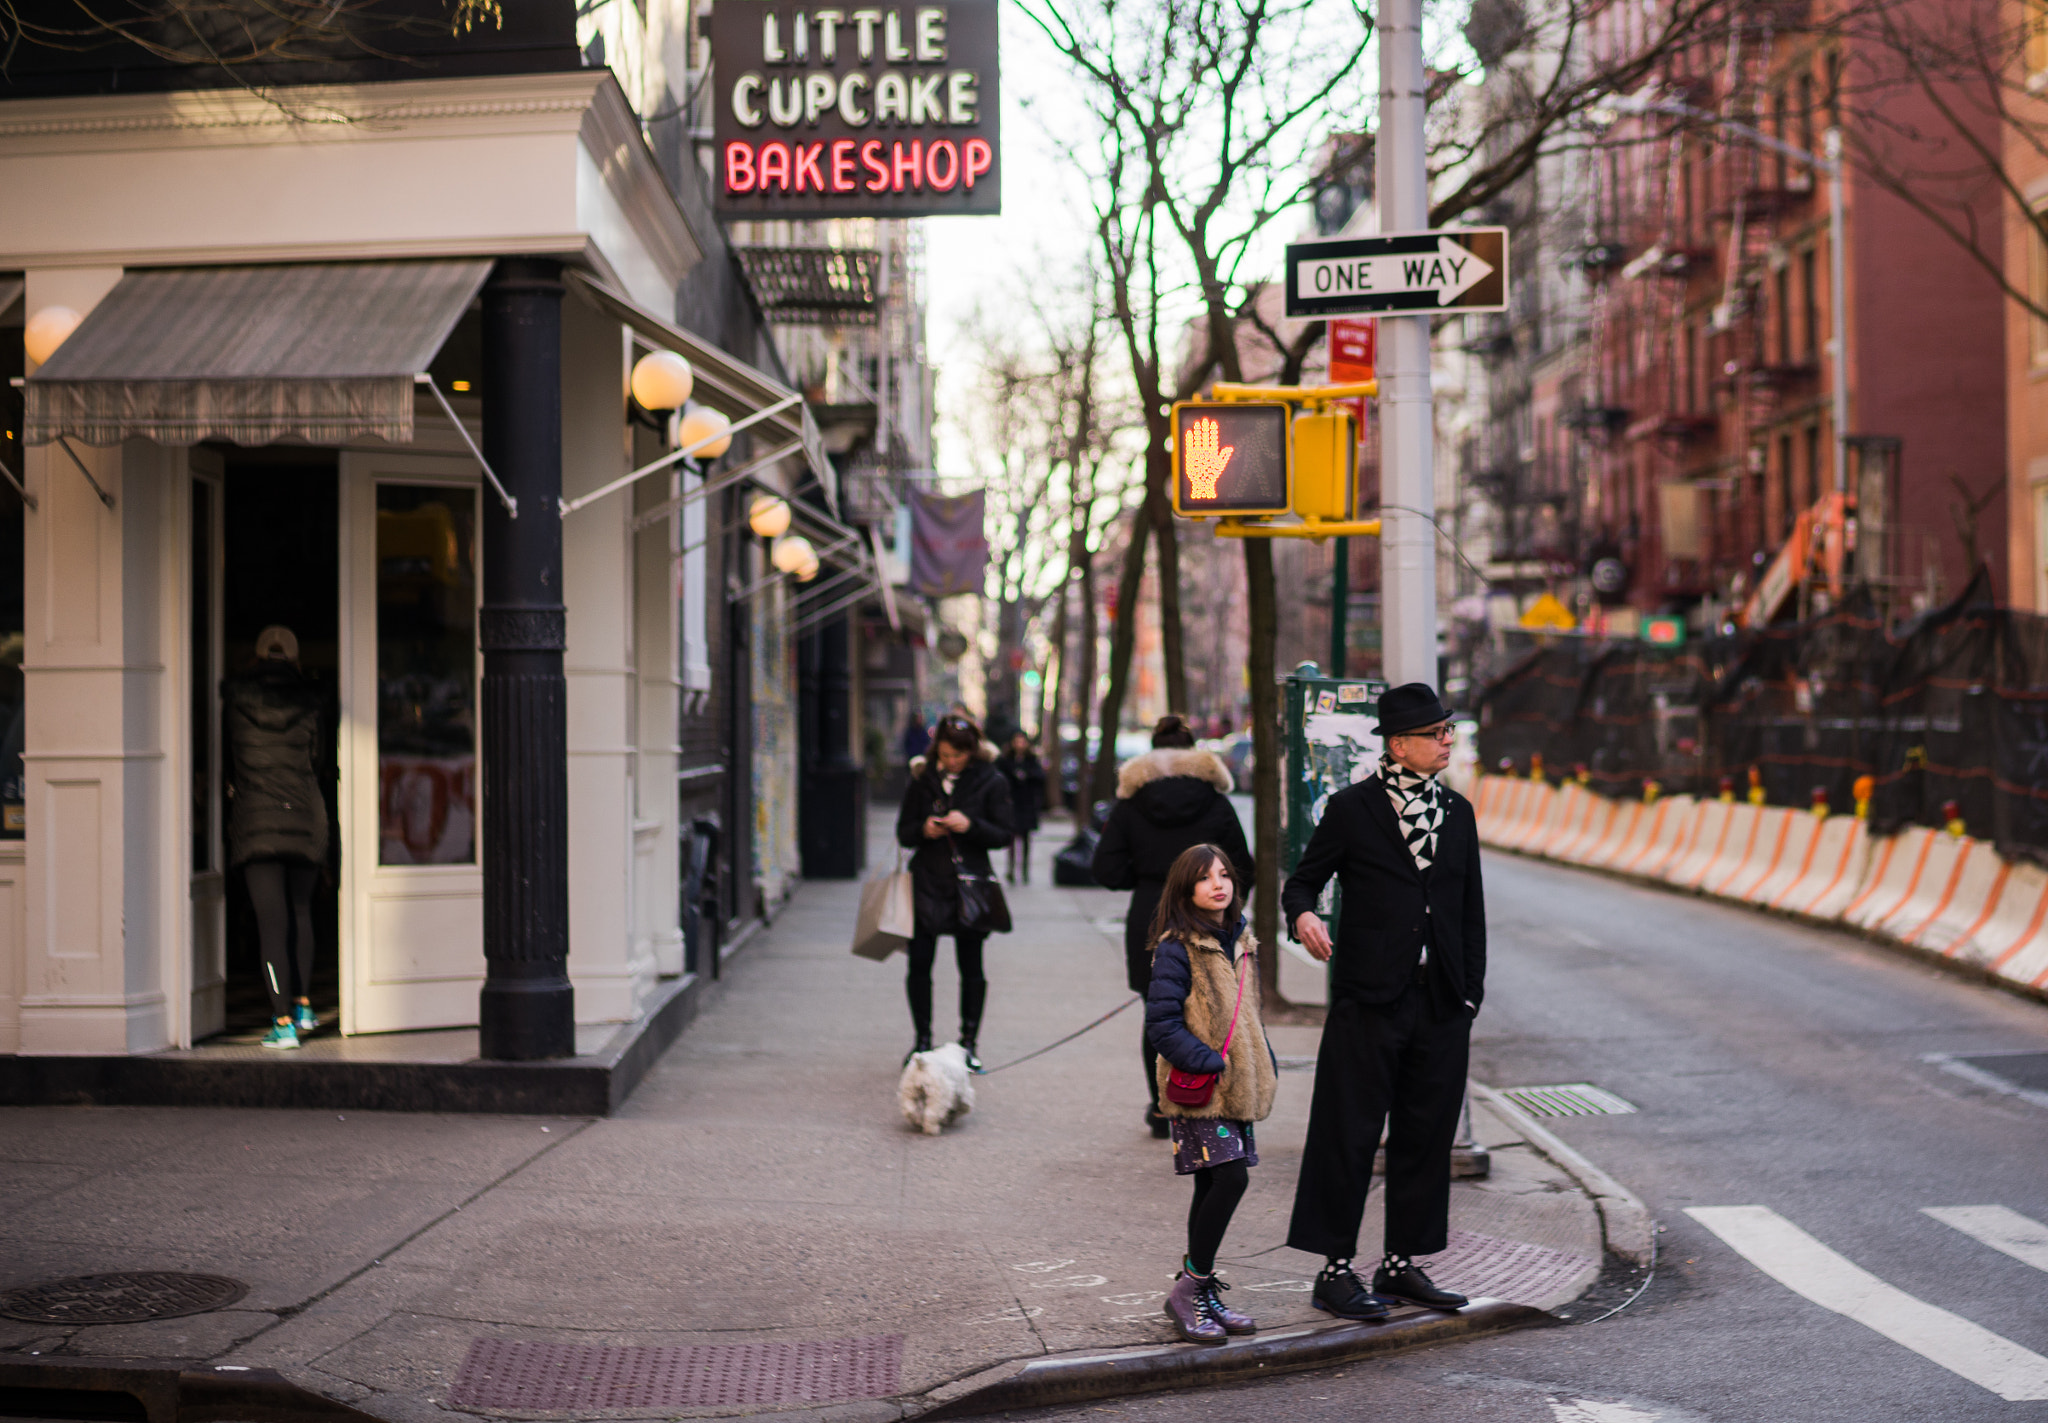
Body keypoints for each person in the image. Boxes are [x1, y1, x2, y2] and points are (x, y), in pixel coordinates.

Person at [1281, 682, 1485, 1320]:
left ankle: (1402, 1264)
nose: (1447, 740)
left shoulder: (1458, 814)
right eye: (1436, 733)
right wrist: (1303, 917)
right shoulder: (1351, 809)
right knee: (1348, 1131)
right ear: (1399, 744)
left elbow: (1469, 911)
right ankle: (1334, 1269)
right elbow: (1302, 883)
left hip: (1441, 1003)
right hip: (1369, 998)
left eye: (1448, 730)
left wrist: (1469, 995)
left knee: (1424, 1135)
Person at [1094, 714, 1254, 1137]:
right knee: (1213, 1008)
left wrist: (1147, 879)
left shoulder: (1131, 803)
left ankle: (1166, 1106)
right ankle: (1209, 1100)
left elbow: (1106, 868)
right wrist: (1225, 905)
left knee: (1159, 1012)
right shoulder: (1215, 801)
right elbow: (1242, 865)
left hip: (1150, 914)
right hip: (1208, 920)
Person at [1146, 844, 1277, 1344]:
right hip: (1201, 1090)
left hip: (1236, 1086)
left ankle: (1198, 1290)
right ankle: (1189, 1289)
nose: (1218, 884)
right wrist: (1212, 1062)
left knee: (1211, 1184)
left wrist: (1262, 1062)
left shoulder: (1240, 939)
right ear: (1186, 890)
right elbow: (1160, 1024)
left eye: (1224, 875)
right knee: (1230, 1180)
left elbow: (1248, 1013)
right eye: (1205, 878)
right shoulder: (1178, 947)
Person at [223, 626, 331, 1050]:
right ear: (294, 656)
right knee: (301, 911)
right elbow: (318, 759)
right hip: (305, 815)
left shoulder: (236, 702)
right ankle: (303, 1006)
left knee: (272, 923)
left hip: (256, 821)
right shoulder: (312, 701)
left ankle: (282, 1022)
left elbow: (230, 760)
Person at [895, 714, 1015, 1070]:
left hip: (970, 885)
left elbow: (1004, 834)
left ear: (972, 752)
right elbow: (903, 832)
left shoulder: (991, 780)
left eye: (958, 756)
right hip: (927, 882)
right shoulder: (922, 779)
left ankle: (968, 1044)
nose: (950, 762)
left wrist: (971, 825)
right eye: (945, 755)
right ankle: (922, 1042)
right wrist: (924, 829)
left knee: (971, 966)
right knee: (919, 963)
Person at [994, 731, 1046, 885]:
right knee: (1011, 838)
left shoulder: (1032, 760)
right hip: (1012, 803)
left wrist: (1027, 776)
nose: (1020, 745)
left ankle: (1024, 870)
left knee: (1025, 839)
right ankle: (1010, 869)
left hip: (1026, 804)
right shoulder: (1005, 761)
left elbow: (1040, 778)